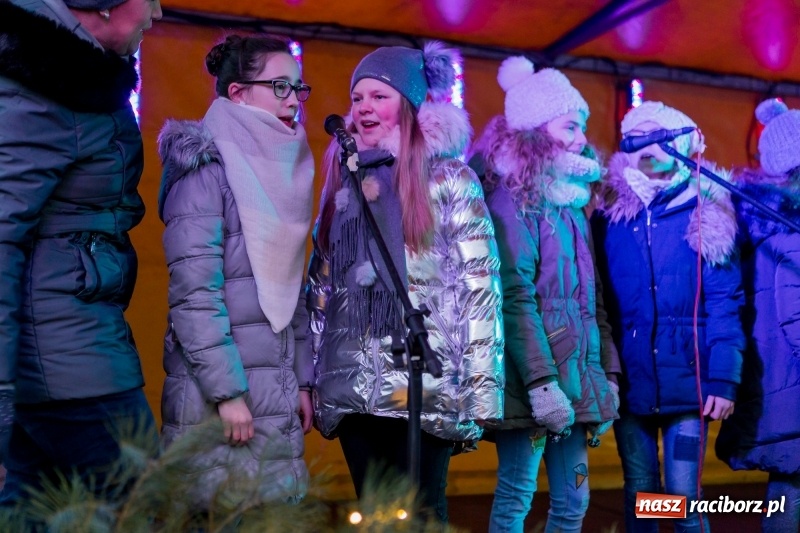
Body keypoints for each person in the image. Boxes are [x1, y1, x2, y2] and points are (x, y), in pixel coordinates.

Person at [306, 42, 504, 522]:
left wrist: (482, 388)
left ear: (409, 104)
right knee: (375, 515)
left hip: (422, 383)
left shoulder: (449, 178)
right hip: (354, 384)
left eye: (379, 95)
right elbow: (321, 289)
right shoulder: (344, 178)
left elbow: (478, 289)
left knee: (421, 514)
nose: (364, 107)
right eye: (358, 98)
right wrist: (311, 379)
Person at [0, 0, 161, 503]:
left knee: (39, 511)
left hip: (72, 348)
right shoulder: (38, 88)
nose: (156, 13)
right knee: (150, 508)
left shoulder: (77, 79)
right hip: (68, 363)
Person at [157, 34, 315, 507]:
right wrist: (227, 395)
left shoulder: (286, 173)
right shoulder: (205, 169)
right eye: (279, 87)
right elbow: (194, 295)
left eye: (297, 88)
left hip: (276, 392)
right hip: (223, 399)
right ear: (238, 94)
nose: (293, 100)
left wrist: (302, 381)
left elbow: (293, 288)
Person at [469, 56, 621, 533]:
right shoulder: (512, 199)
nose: (581, 138)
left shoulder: (574, 203)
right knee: (516, 498)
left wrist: (607, 375)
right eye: (570, 126)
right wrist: (541, 384)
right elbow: (513, 296)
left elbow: (592, 302)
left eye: (583, 127)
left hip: (575, 384)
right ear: (535, 129)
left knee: (574, 502)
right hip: (530, 385)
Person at [592, 101, 744, 532]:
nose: (647, 143)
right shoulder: (611, 216)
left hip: (688, 383)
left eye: (658, 133)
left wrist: (724, 378)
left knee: (683, 498)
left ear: (680, 142)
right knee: (642, 491)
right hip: (632, 384)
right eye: (638, 134)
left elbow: (724, 301)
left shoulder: (706, 210)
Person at [716, 98, 800, 533]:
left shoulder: (762, 222)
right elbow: (794, 312)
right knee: (789, 495)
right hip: (794, 384)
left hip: (776, 386)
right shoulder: (789, 230)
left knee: (786, 489)